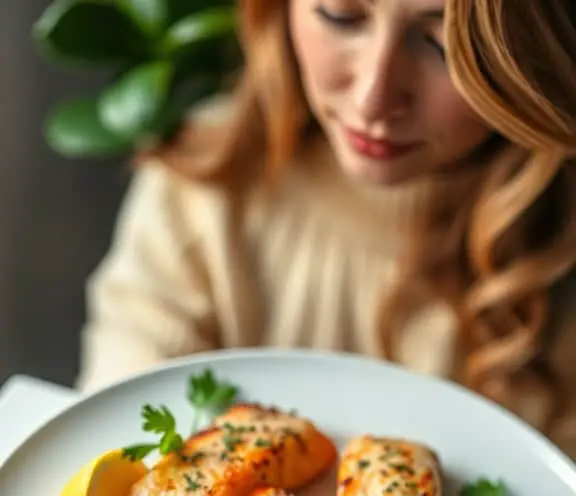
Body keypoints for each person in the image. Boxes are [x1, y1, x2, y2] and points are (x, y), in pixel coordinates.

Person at [78, 0, 576, 458]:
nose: (373, 98)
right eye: (340, 15)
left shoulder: (558, 256)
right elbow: (115, 446)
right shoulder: (203, 185)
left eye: (441, 45)